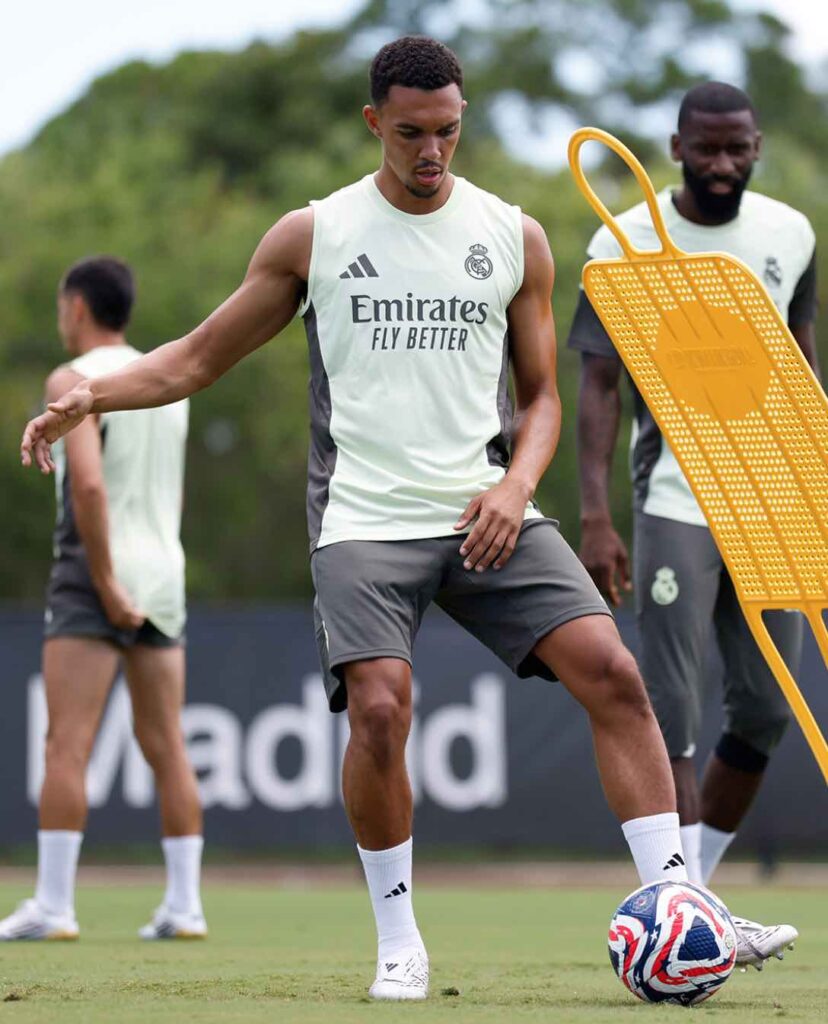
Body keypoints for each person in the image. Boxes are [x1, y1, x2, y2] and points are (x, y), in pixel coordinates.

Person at [24, 40, 732, 997]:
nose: (430, 151)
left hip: (488, 508)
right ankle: (399, 942)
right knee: (383, 708)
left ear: (462, 119)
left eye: (446, 131)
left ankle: (682, 909)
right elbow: (193, 358)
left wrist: (516, 486)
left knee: (613, 672)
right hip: (362, 518)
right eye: (409, 134)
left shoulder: (514, 236)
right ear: (374, 124)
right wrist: (91, 397)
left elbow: (542, 401)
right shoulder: (312, 235)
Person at [568, 82, 816, 963]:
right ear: (676, 147)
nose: (721, 164)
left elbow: (800, 363)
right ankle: (696, 913)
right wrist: (596, 516)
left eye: (736, 148)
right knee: (669, 713)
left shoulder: (791, 233)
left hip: (771, 497)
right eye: (705, 148)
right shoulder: (622, 238)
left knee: (766, 711)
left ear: (757, 146)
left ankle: (695, 897)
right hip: (674, 495)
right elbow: (598, 385)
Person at [2, 257, 205, 942]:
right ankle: (185, 905)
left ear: (78, 308)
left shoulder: (73, 379)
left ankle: (54, 905)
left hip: (97, 572)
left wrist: (108, 583)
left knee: (66, 741)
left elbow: (88, 486)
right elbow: (170, 492)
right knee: (167, 744)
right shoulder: (164, 379)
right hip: (164, 571)